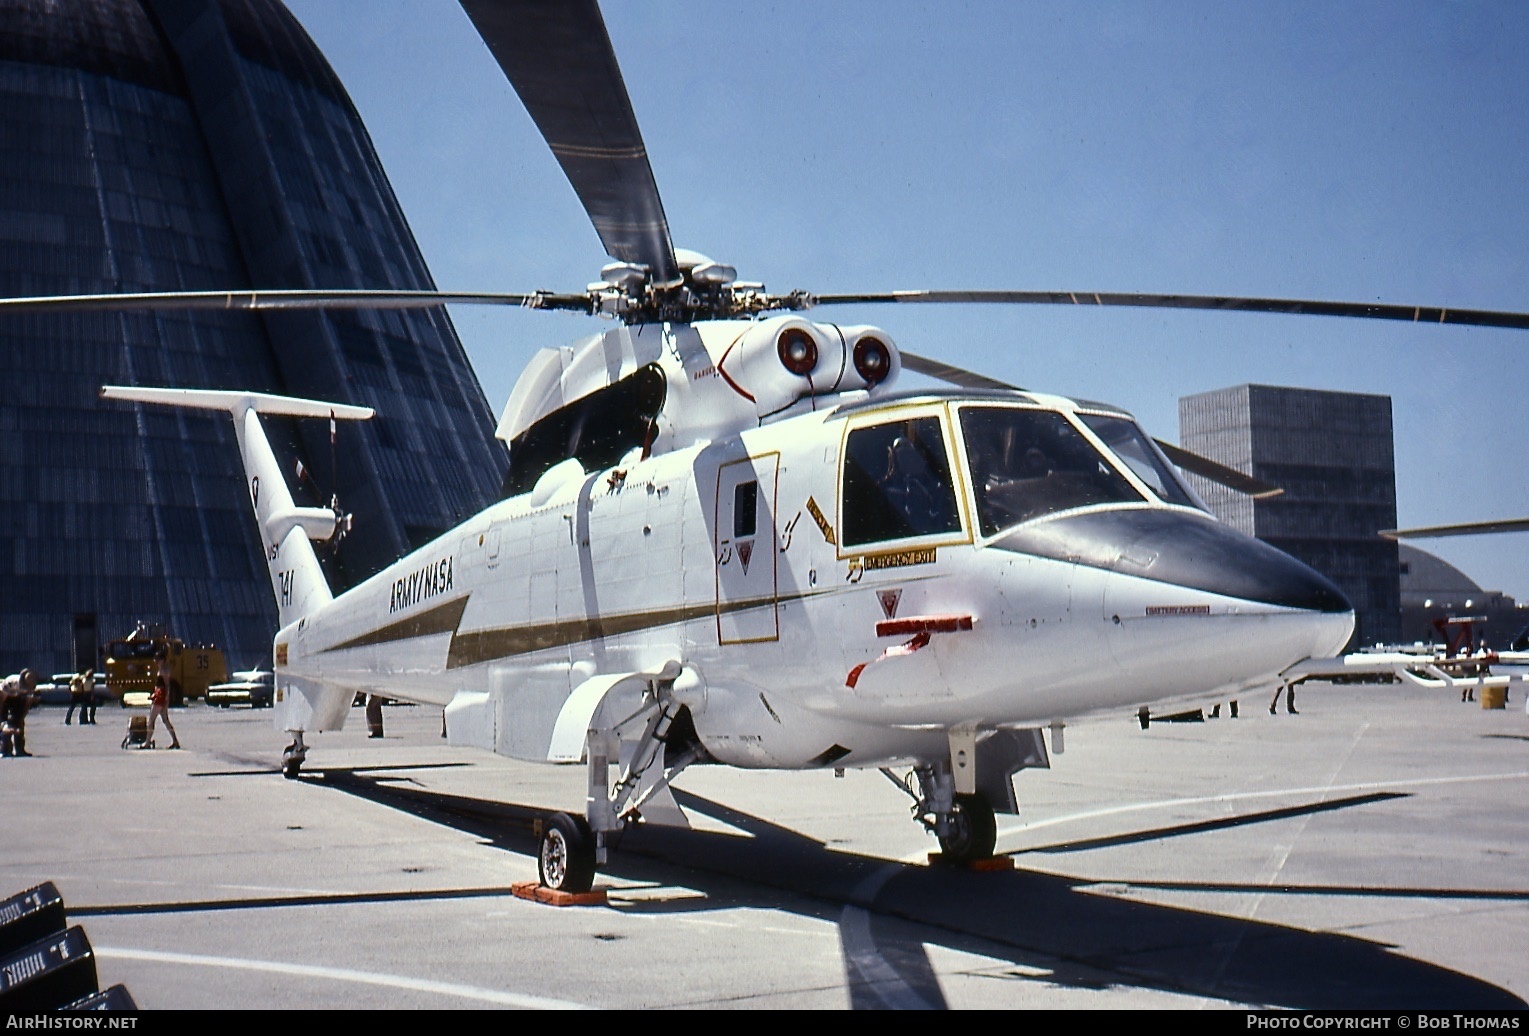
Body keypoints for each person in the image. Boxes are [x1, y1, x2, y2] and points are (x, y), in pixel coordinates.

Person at [145, 653, 181, 750]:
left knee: (151, 720)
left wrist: (166, 697)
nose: (156, 662)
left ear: (162, 660)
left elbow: (166, 684)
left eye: (158, 659)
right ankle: (175, 741)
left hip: (160, 695)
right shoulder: (163, 668)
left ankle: (147, 742)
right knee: (165, 720)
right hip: (160, 694)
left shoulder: (164, 670)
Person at [1, 669, 39, 756]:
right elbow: (2, 699)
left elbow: (26, 705)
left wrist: (20, 719)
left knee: (19, 724)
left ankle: (20, 750)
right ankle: (5, 750)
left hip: (18, 700)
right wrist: (3, 719)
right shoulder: (11, 682)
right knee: (6, 726)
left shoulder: (30, 686)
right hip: (5, 698)